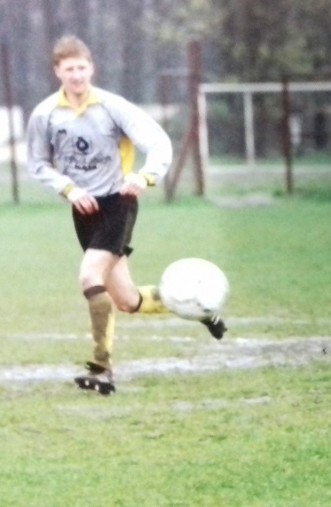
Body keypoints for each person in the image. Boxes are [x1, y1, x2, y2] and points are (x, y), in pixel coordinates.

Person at [26, 35, 227, 396]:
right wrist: (69, 189)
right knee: (127, 300)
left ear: (92, 68)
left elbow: (158, 143)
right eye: (69, 69)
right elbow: (38, 163)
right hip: (83, 210)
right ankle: (201, 307)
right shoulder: (44, 114)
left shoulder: (112, 106)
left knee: (89, 276)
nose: (76, 75)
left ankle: (102, 368)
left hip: (118, 203)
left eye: (82, 67)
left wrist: (144, 176)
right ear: (57, 72)